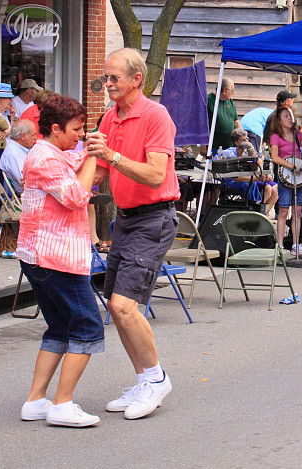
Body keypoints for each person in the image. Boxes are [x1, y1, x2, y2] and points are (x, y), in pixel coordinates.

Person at [92, 48, 180, 420]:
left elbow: (156, 175)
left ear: (136, 79)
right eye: (106, 78)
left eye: (114, 78)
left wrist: (112, 157)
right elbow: (95, 174)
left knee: (126, 306)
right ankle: (145, 379)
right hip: (126, 218)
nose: (107, 84)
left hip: (154, 218)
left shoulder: (156, 115)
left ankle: (157, 378)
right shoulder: (109, 117)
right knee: (115, 304)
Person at [17, 94, 107, 428]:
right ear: (55, 129)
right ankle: (62, 404)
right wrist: (96, 158)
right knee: (87, 328)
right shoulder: (44, 157)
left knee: (59, 327)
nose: (80, 135)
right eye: (75, 129)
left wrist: (87, 151)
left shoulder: (50, 152)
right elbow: (75, 196)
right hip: (55, 257)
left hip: (41, 256)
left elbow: (72, 161)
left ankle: (36, 401)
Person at [269, 107, 302, 255]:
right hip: (285, 177)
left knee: (297, 211)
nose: (290, 119)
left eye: (290, 116)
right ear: (279, 121)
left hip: (298, 178)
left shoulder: (297, 134)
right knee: (283, 211)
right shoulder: (275, 137)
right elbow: (275, 157)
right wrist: (292, 166)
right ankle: (280, 246)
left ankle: (296, 245)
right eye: (286, 116)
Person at [220, 128, 279, 213]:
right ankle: (255, 210)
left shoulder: (248, 150)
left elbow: (258, 166)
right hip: (231, 182)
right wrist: (258, 178)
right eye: (243, 139)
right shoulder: (229, 154)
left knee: (274, 187)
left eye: (247, 138)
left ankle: (263, 214)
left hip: (249, 180)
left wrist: (252, 155)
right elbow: (236, 178)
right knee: (251, 184)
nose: (246, 141)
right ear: (236, 143)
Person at [0, 119, 37, 194]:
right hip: (27, 195)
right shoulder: (13, 153)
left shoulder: (19, 147)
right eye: (33, 135)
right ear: (23, 136)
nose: (35, 138)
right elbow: (27, 181)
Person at [207, 77, 241, 152]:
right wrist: (203, 145)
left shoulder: (230, 102)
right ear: (224, 91)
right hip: (214, 146)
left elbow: (236, 122)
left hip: (229, 146)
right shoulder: (209, 100)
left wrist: (242, 137)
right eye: (232, 91)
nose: (233, 93)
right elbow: (201, 124)